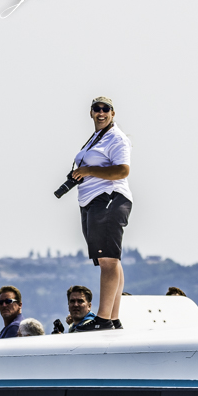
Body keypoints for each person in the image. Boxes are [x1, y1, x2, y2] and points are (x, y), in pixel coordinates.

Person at [68, 96, 132, 331]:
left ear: (113, 113)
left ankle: (103, 319)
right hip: (92, 200)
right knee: (110, 259)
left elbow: (122, 170)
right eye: (97, 109)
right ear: (91, 112)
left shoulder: (117, 138)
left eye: (106, 109)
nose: (101, 112)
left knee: (108, 259)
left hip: (108, 198)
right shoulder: (97, 137)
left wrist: (89, 170)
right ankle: (112, 318)